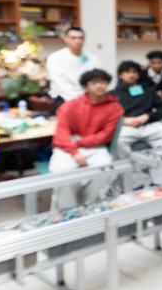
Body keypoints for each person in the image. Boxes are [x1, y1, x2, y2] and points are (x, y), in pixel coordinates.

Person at [49, 69, 123, 208]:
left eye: (103, 82)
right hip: (68, 146)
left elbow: (105, 136)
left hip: (95, 148)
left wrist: (78, 142)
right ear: (86, 86)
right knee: (60, 172)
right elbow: (61, 133)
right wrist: (74, 152)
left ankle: (89, 206)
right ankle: (67, 211)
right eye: (94, 82)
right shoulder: (70, 106)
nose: (99, 86)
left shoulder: (115, 107)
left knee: (105, 170)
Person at [113, 60, 162, 183]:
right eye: (127, 72)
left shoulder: (148, 91)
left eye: (134, 72)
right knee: (116, 143)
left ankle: (158, 178)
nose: (131, 75)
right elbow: (107, 116)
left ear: (138, 74)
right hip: (127, 127)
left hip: (149, 125)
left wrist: (148, 116)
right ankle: (133, 174)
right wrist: (123, 120)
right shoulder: (113, 94)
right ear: (121, 75)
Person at [46, 26, 99, 109]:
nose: (78, 41)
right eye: (73, 38)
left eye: (81, 38)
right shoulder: (55, 58)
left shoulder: (92, 59)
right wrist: (78, 101)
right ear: (66, 39)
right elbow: (61, 84)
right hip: (64, 99)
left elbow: (97, 80)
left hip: (88, 99)